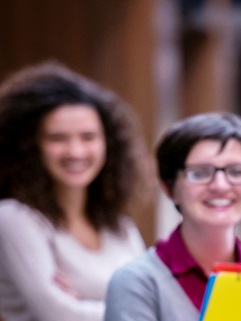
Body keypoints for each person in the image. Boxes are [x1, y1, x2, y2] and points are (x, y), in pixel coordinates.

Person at [103, 113, 241, 321]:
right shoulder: (138, 283)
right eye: (200, 173)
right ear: (169, 188)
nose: (220, 186)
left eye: (237, 172)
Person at [0, 63, 150, 321]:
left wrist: (87, 306)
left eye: (88, 137)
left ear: (109, 143)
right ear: (30, 145)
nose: (76, 151)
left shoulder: (119, 227)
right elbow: (58, 315)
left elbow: (150, 296)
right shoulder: (14, 219)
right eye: (58, 138)